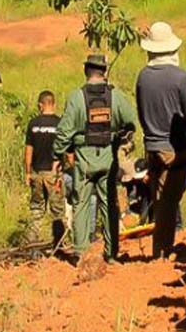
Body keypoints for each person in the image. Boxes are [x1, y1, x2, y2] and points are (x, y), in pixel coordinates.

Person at [53, 54, 136, 264]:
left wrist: (58, 153)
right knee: (109, 204)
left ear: (86, 71)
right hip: (108, 158)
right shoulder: (115, 96)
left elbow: (64, 132)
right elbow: (130, 122)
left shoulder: (76, 97)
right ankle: (111, 253)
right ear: (104, 72)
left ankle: (81, 253)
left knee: (80, 204)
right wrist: (119, 139)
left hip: (84, 159)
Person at [135, 21, 186, 260]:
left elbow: (141, 112)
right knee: (168, 202)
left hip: (152, 145)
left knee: (161, 197)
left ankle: (161, 249)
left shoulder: (143, 77)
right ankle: (162, 252)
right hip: (174, 147)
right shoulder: (181, 77)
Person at [25, 91, 66, 248]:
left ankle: (32, 246)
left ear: (40, 105)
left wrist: (28, 172)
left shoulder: (33, 124)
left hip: (36, 173)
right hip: (54, 175)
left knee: (36, 211)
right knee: (58, 212)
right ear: (53, 104)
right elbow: (66, 150)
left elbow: (29, 150)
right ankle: (59, 245)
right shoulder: (61, 123)